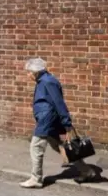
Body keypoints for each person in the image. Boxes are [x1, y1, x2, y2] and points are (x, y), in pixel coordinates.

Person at [20, 57, 96, 188]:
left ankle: (36, 179)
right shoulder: (43, 81)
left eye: (28, 72)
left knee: (36, 146)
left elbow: (59, 102)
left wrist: (67, 123)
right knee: (60, 147)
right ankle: (87, 171)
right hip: (46, 119)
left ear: (36, 71)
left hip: (47, 120)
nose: (27, 75)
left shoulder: (48, 82)